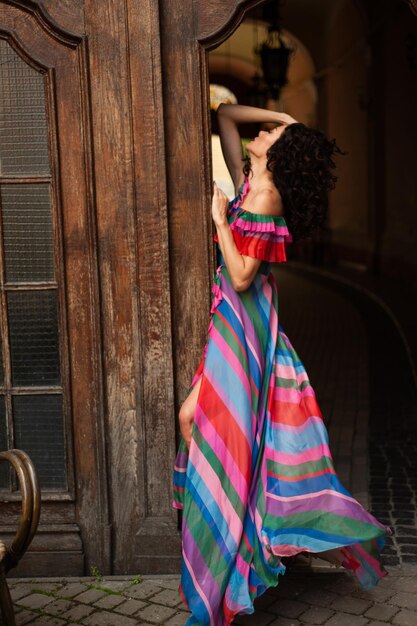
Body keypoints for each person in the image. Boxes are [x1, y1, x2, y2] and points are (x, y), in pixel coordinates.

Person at [172, 103, 392, 626]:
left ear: (277, 154)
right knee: (197, 423)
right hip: (231, 326)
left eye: (269, 133)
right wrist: (285, 115)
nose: (261, 132)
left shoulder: (265, 196)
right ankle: (226, 541)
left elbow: (244, 276)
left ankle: (228, 551)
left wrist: (219, 220)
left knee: (200, 424)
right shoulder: (253, 179)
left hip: (243, 330)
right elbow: (224, 115)